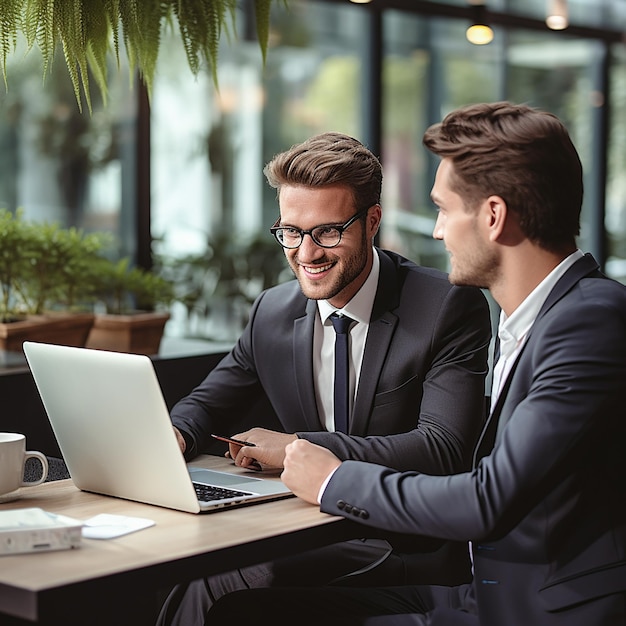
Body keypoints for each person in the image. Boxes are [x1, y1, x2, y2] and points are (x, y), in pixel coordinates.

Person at [206, 102, 626, 625]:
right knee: (242, 611)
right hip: (483, 592)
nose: (436, 231)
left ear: (493, 216)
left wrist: (333, 481)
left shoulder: (589, 320)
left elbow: (486, 498)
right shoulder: (538, 321)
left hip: (536, 612)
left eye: (444, 209)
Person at [156, 132, 492, 625]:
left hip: (397, 541)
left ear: (372, 222)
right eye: (291, 231)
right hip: (303, 525)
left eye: (328, 232)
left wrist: (299, 446)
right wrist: (176, 433)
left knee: (220, 576)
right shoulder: (272, 311)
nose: (306, 253)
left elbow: (443, 449)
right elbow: (208, 402)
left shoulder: (445, 306)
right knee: (195, 567)